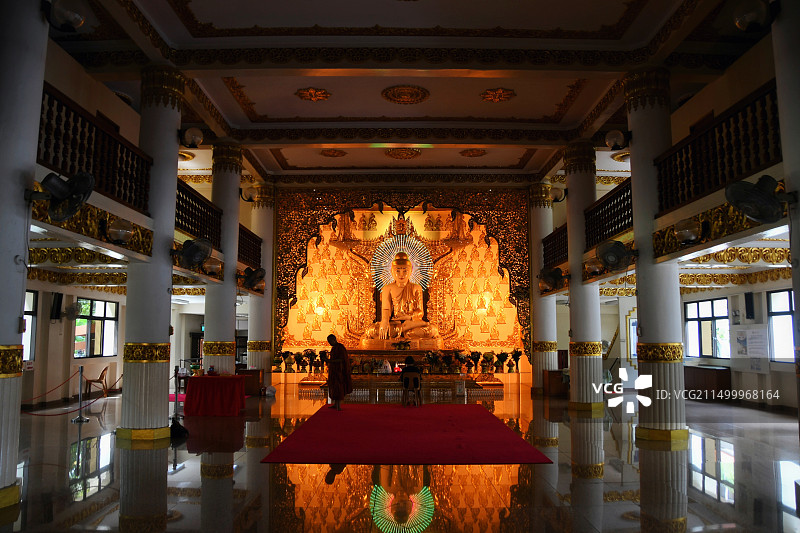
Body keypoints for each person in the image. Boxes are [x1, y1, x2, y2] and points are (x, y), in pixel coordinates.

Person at [364, 252, 439, 341]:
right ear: (392, 271)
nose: (401, 274)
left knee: (432, 330)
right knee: (372, 330)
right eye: (398, 270)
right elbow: (386, 310)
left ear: (411, 271)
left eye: (405, 270)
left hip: (412, 323)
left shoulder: (416, 287)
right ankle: (405, 332)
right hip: (394, 323)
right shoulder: (387, 288)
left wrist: (408, 317)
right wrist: (384, 322)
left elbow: (420, 312)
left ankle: (402, 331)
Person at [326, 334, 352, 411]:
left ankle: (338, 405)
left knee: (338, 387)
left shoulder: (340, 348)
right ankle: (335, 404)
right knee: (334, 387)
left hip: (339, 371)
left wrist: (330, 361)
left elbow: (341, 359)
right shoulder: (334, 348)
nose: (330, 343)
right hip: (334, 370)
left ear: (334, 339)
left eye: (330, 341)